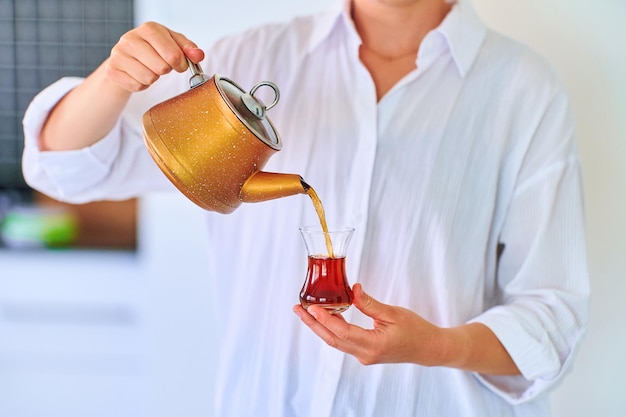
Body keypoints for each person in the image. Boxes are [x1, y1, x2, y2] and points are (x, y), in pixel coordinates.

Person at [22, 0, 589, 415]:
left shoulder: (523, 91)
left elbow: (552, 319)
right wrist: (113, 79)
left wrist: (435, 345)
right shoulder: (249, 59)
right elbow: (67, 170)